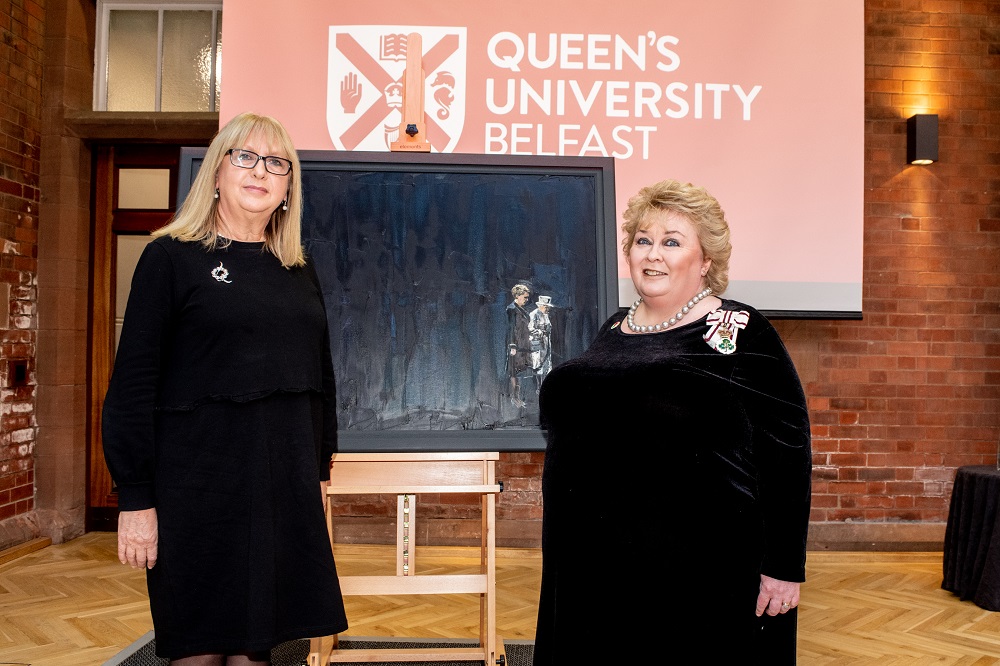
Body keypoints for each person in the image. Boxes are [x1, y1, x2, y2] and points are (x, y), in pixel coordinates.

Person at [101, 112, 348, 665]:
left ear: (288, 188)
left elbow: (320, 378)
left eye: (277, 163)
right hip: (196, 490)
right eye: (246, 157)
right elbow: (132, 386)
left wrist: (318, 472)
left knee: (258, 647)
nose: (261, 171)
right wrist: (136, 499)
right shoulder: (169, 258)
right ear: (216, 172)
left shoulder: (297, 268)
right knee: (199, 647)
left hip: (280, 485)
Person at [532, 179, 812, 665]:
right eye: (643, 240)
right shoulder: (613, 327)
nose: (653, 254)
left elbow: (787, 453)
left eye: (672, 242)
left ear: (705, 261)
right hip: (590, 565)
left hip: (697, 574)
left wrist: (783, 567)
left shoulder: (740, 330)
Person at [505, 283, 533, 408]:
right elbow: (511, 328)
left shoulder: (523, 311)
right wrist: (512, 346)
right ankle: (515, 398)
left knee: (521, 372)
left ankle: (518, 397)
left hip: (524, 345)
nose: (526, 300)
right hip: (516, 346)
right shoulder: (512, 309)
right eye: (525, 297)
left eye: (527, 297)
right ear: (517, 296)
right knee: (514, 372)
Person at [528, 295, 554, 391]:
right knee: (538, 364)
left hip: (546, 342)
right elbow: (530, 328)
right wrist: (539, 332)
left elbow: (549, 328)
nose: (547, 309)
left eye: (548, 307)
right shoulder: (534, 314)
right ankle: (539, 387)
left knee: (547, 364)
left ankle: (545, 386)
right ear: (540, 306)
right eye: (546, 307)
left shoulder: (546, 315)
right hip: (537, 343)